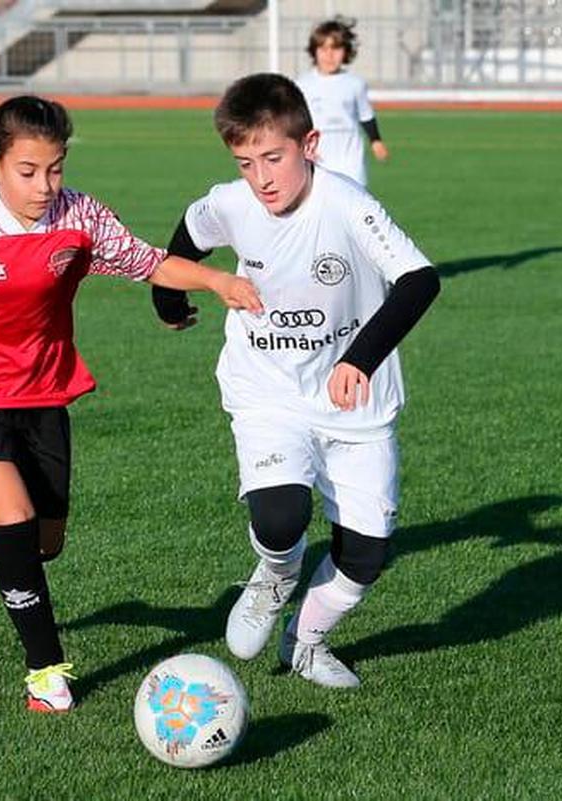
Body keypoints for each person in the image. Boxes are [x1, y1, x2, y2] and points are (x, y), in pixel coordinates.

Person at [0, 95, 261, 713]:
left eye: (56, 169)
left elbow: (148, 261)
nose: (45, 185)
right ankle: (46, 670)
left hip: (44, 392)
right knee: (15, 517)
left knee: (42, 544)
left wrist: (217, 279)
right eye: (28, 171)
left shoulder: (79, 217)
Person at [150, 74, 440, 688]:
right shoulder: (230, 203)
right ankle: (276, 573)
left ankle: (305, 643)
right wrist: (168, 303)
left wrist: (358, 359)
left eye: (274, 158)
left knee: (363, 557)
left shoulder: (348, 204)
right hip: (267, 389)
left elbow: (419, 281)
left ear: (310, 144)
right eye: (246, 162)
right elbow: (180, 246)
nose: (262, 178)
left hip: (355, 402)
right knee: (283, 518)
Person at [294, 17, 388, 187]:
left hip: (350, 160)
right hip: (318, 160)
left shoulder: (355, 84)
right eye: (323, 48)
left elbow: (366, 115)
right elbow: (294, 122)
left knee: (353, 207)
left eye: (336, 48)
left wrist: (376, 141)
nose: (329, 55)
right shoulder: (302, 85)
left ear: (346, 51)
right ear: (314, 51)